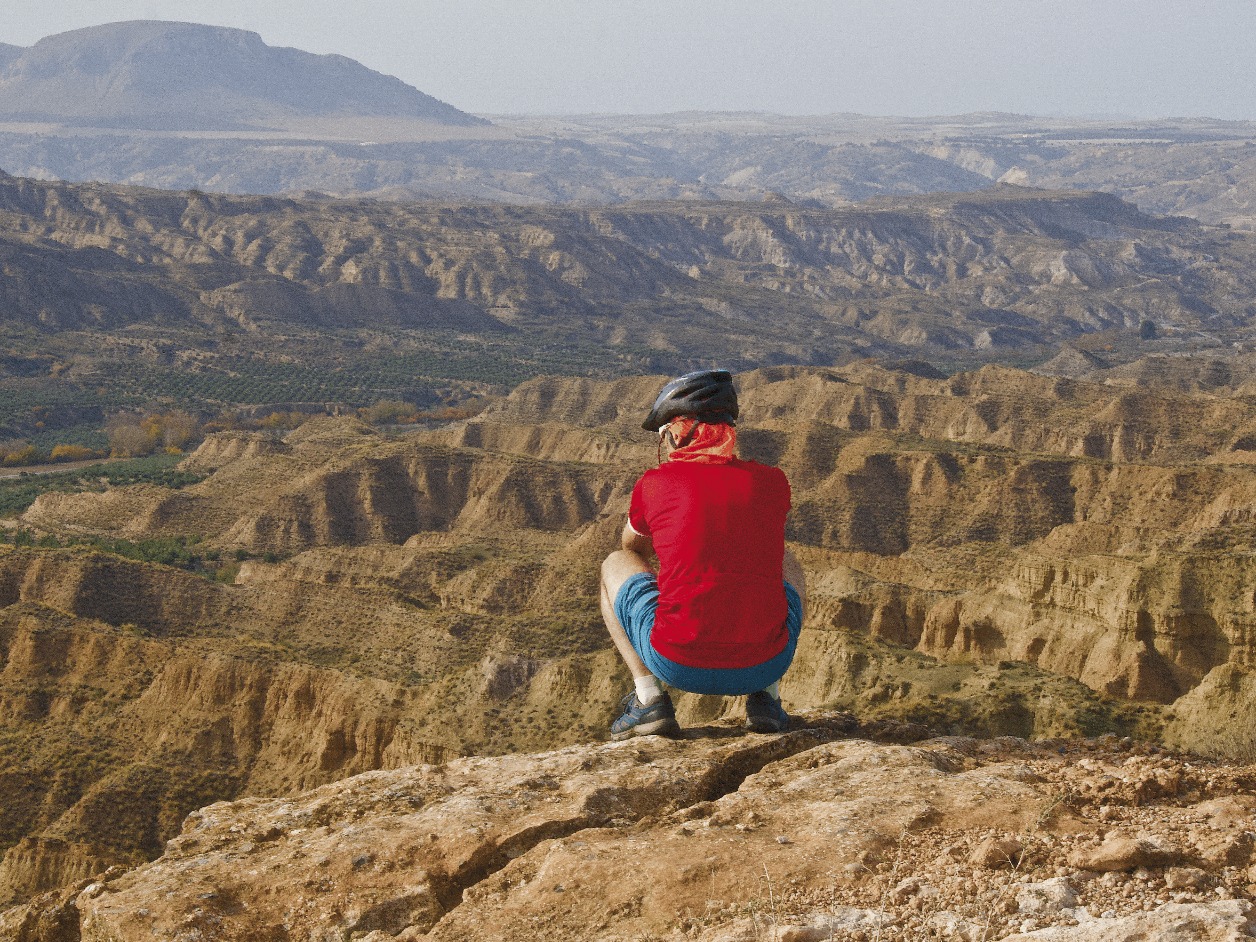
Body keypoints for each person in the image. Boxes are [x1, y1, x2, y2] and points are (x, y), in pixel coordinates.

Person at [599, 369, 805, 739]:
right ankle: (766, 700)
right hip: (766, 662)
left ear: (678, 434)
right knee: (786, 559)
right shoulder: (773, 482)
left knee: (613, 564)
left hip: (677, 662)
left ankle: (649, 701)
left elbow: (633, 552)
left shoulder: (654, 484)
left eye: (664, 436)